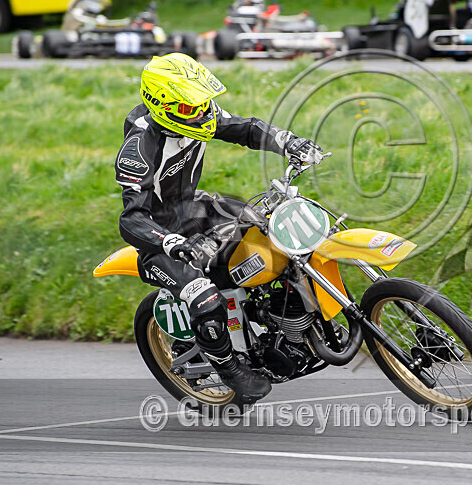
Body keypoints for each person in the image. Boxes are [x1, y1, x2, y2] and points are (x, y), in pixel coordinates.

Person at [115, 52, 323, 403]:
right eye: (189, 108)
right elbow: (131, 218)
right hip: (160, 237)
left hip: (198, 209)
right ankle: (230, 368)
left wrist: (289, 142)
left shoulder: (198, 115)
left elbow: (246, 128)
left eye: (202, 102)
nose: (200, 112)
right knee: (204, 296)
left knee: (278, 238)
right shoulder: (138, 149)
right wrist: (172, 244)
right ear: (162, 104)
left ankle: (290, 324)